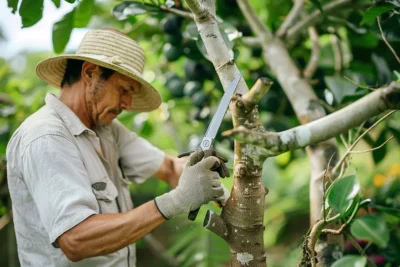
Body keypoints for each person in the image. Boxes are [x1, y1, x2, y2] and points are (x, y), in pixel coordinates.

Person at [6, 28, 229, 266]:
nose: (128, 104)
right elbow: (76, 240)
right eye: (124, 89)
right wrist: (176, 200)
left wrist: (204, 174)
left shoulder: (107, 129)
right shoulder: (46, 136)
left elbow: (169, 168)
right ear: (91, 73)